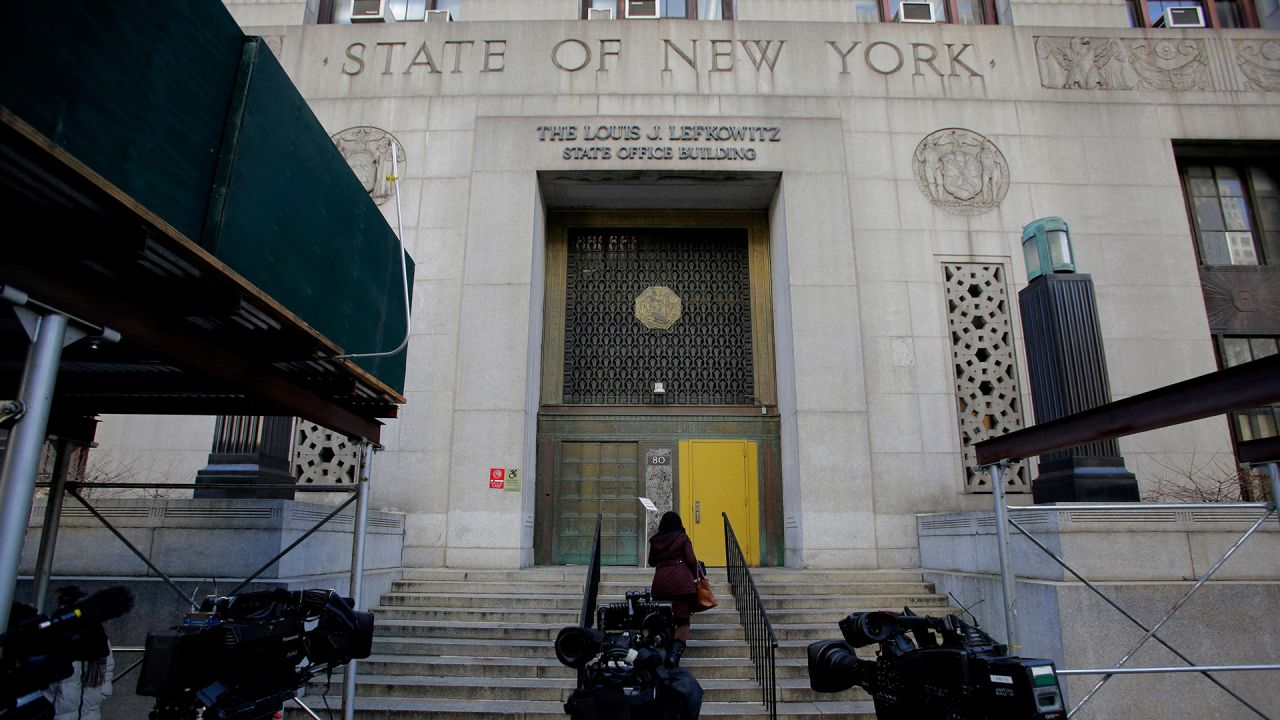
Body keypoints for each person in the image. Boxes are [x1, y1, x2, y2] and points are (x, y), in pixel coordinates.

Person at [45, 587, 114, 720]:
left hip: (89, 711)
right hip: (60, 711)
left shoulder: (97, 634)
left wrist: (103, 691)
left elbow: (107, 665)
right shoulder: (55, 634)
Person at [648, 511, 699, 668]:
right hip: (680, 584)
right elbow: (691, 560)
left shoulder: (656, 540)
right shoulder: (682, 538)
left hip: (661, 584)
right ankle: (673, 656)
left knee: (663, 619)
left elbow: (651, 562)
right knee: (683, 620)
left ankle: (662, 652)